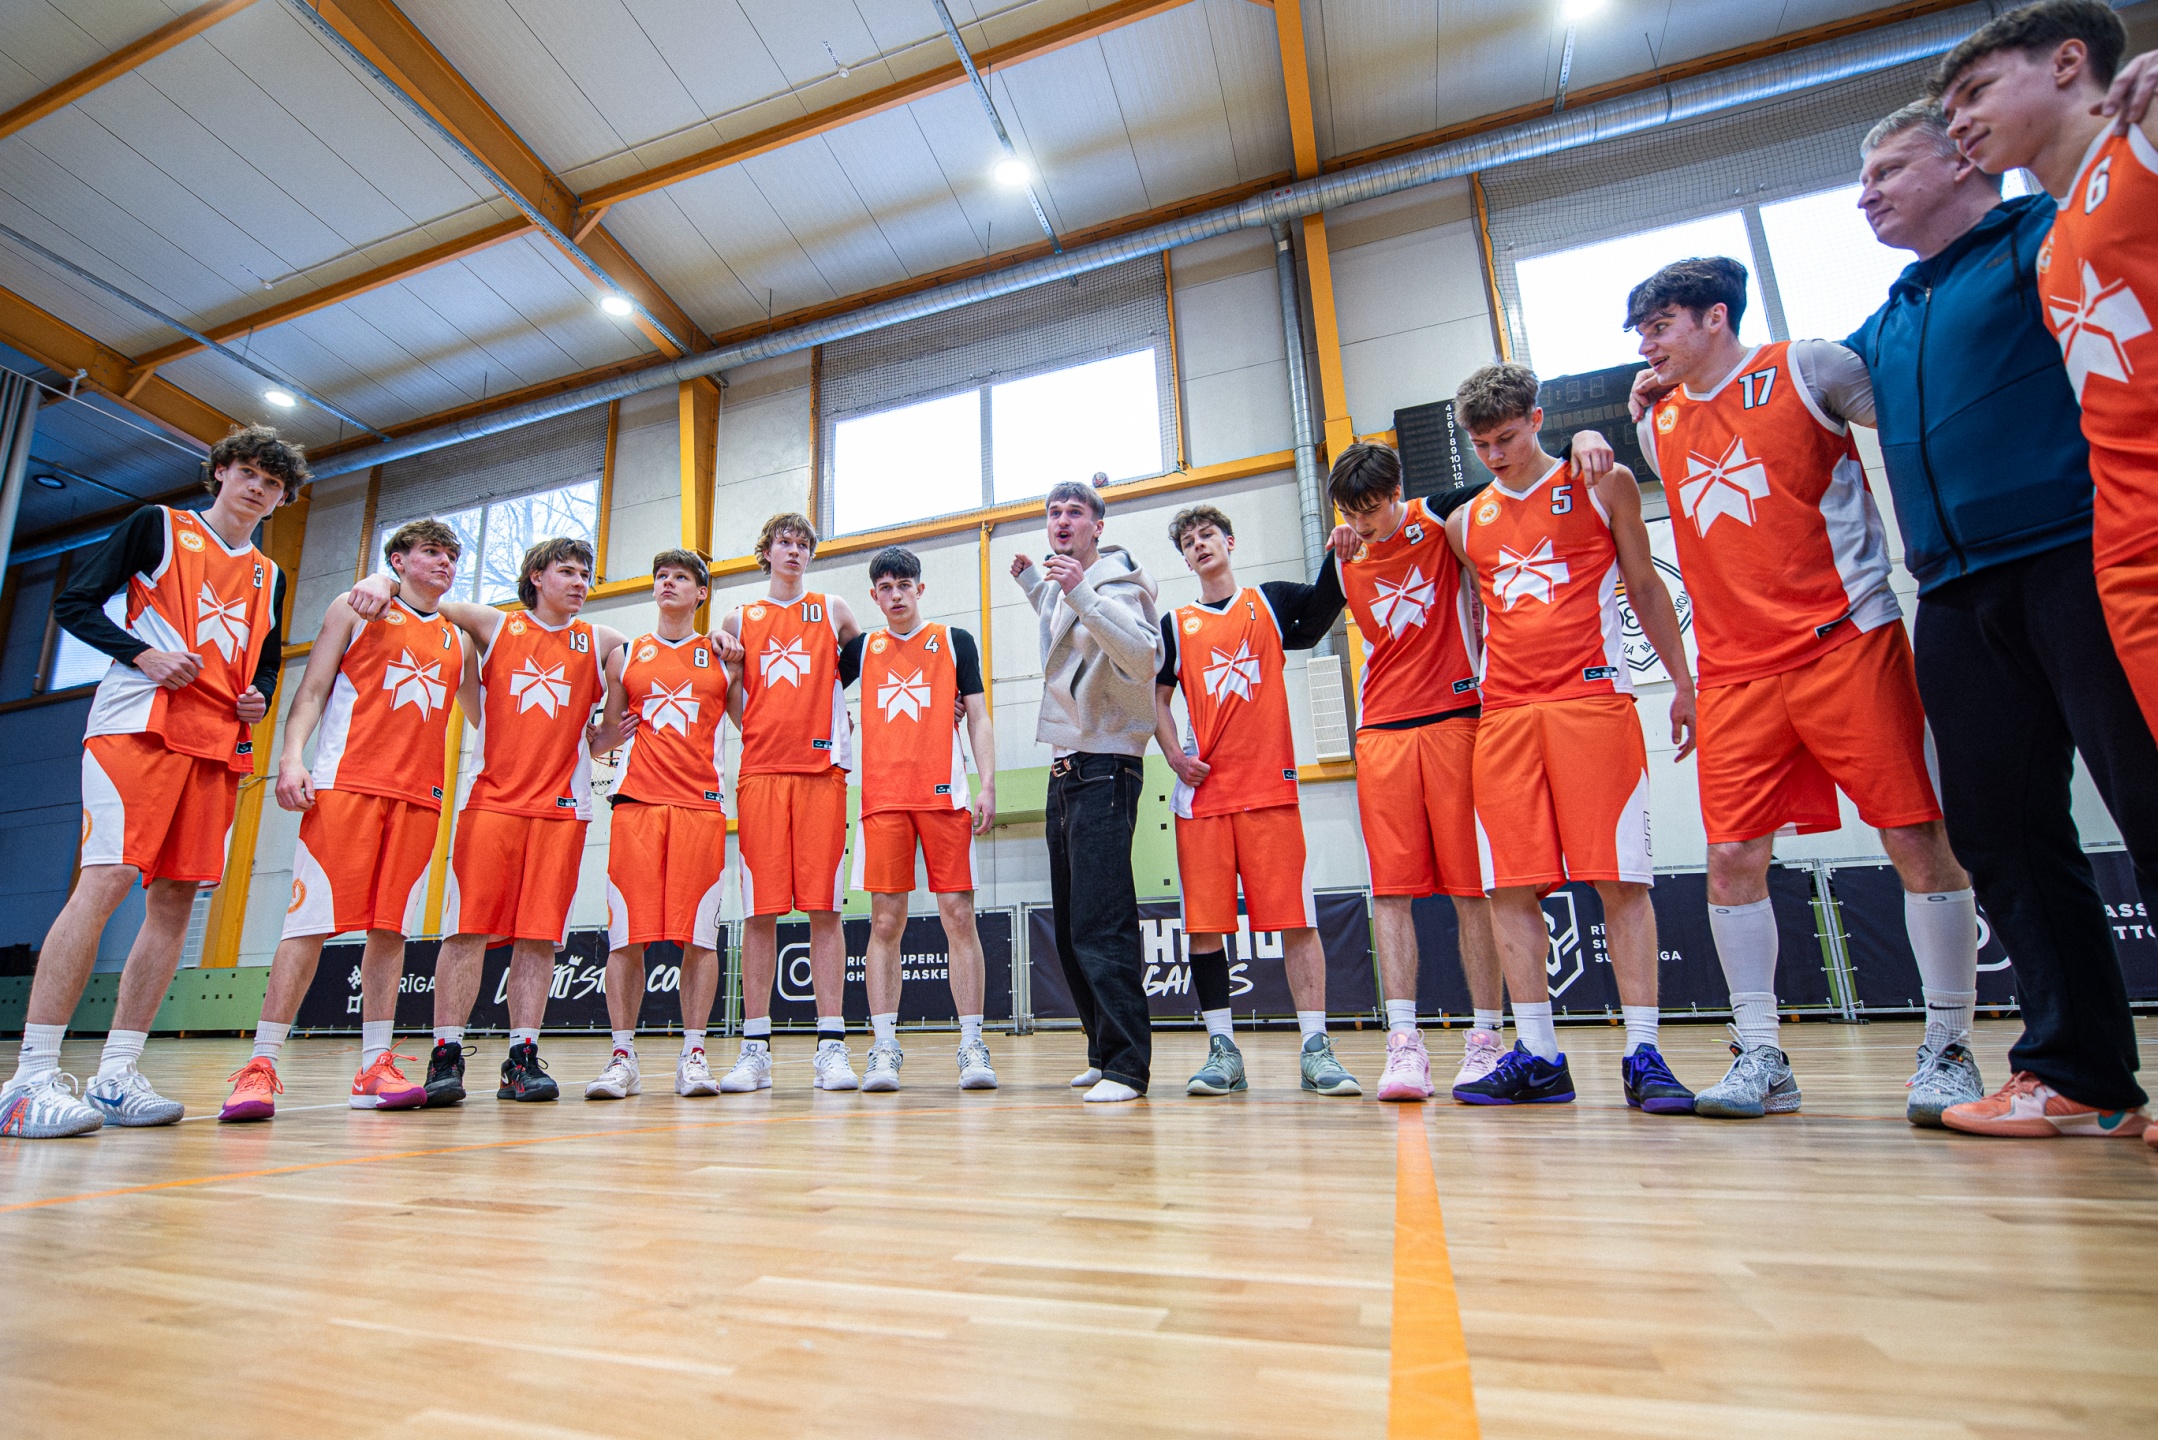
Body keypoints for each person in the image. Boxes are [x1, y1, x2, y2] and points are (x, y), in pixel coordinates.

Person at [1618, 258, 1981, 1125]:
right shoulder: (1657, 424)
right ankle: (1762, 1055)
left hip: (1846, 639)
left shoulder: (1811, 367)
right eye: (1641, 333)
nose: (1646, 347)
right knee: (1733, 859)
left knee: (1914, 834)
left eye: (1660, 326)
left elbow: (1917, 421)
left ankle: (1950, 1047)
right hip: (1734, 671)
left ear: (1715, 317)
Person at [1909, 0, 2158, 1139]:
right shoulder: (2055, 240)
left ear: (2069, 64)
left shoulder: (2134, 151)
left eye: (1975, 94)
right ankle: (2078, 1074)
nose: (1959, 120)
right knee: (2003, 829)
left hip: (2080, 550)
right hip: (1998, 576)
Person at [0, 426, 298, 1139]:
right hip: (136, 726)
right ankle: (28, 1081)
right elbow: (74, 604)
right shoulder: (158, 527)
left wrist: (258, 695)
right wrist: (142, 654)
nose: (257, 488)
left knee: (175, 901)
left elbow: (265, 657)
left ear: (281, 500)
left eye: (273, 484)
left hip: (216, 745)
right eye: (249, 473)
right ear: (220, 472)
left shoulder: (270, 573)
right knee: (105, 879)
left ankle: (117, 1074)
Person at [1442, 364, 1698, 1113]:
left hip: (1592, 703)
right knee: (1508, 885)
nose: (1495, 454)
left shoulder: (1603, 483)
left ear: (1537, 418)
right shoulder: (1465, 524)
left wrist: (1684, 683)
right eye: (1481, 444)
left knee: (1621, 881)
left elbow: (1645, 586)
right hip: (1504, 716)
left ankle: (1643, 1052)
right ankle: (1540, 1054)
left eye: (1506, 437)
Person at [349, 536, 628, 1107]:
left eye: (585, 574)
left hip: (563, 810)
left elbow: (640, 669)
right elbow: (423, 597)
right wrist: (380, 580)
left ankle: (521, 1057)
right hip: (491, 804)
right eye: (567, 571)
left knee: (538, 938)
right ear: (536, 577)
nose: (579, 583)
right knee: (466, 931)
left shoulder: (601, 640)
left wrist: (603, 736)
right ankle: (445, 1053)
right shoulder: (494, 624)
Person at [220, 519, 475, 1122]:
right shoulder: (354, 608)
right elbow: (311, 690)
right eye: (431, 551)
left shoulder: (459, 639)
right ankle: (260, 1064)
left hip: (420, 797)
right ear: (398, 559)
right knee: (307, 926)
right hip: (345, 784)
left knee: (391, 932)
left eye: (451, 555)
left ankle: (374, 1064)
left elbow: (491, 713)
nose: (444, 562)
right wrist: (290, 759)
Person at [1153, 505, 1359, 1097]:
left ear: (1230, 541)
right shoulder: (1175, 624)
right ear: (1185, 559)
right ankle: (1223, 1050)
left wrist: (1338, 551)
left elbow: (1319, 614)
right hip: (1203, 799)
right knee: (1205, 929)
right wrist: (1174, 755)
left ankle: (1316, 1048)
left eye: (1207, 535)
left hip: (1270, 789)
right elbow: (1156, 700)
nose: (1199, 545)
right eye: (1189, 542)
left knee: (1296, 921)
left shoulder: (1268, 601)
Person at [1327, 443, 1508, 1102]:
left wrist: (1581, 447)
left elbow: (1514, 480)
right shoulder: (1346, 553)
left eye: (1372, 509)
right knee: (1390, 893)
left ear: (1398, 490)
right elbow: (1303, 620)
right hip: (1382, 730)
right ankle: (1404, 1042)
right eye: (1352, 513)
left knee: (1471, 891)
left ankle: (1486, 1037)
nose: (1364, 523)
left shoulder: (1445, 517)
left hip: (1458, 718)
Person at [1011, 480, 1162, 1103]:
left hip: (1107, 763)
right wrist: (1034, 584)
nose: (1062, 520)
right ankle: (1101, 1052)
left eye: (1075, 512)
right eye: (1054, 512)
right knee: (1074, 924)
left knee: (1104, 921)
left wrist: (1076, 588)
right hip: (1066, 765)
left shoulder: (1120, 583)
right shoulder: (1066, 585)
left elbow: (1142, 653)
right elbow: (1070, 636)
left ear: (1099, 525)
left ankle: (1128, 1066)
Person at [583, 550, 743, 1102]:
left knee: (699, 937)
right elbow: (606, 736)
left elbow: (754, 723)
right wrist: (589, 742)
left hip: (700, 807)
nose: (668, 583)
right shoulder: (625, 655)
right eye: (661, 577)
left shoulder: (723, 657)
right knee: (626, 937)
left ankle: (694, 1054)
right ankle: (622, 1058)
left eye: (681, 577)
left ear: (702, 593)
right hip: (636, 806)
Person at [715, 513, 863, 1094]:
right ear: (767, 551)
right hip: (761, 774)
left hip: (823, 773)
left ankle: (831, 1046)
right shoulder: (738, 618)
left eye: (803, 544)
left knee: (825, 910)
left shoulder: (833, 609)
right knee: (760, 912)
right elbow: (729, 692)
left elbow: (868, 666)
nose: (795, 551)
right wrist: (757, 729)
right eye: (785, 542)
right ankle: (755, 1049)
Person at [842, 545, 999, 1092]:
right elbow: (812, 692)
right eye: (885, 587)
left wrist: (987, 783)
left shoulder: (955, 641)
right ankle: (884, 1048)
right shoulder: (861, 649)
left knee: (959, 916)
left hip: (945, 796)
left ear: (920, 588)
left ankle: (972, 1043)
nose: (896, 595)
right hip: (883, 800)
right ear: (874, 596)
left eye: (904, 585)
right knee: (885, 923)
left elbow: (978, 716)